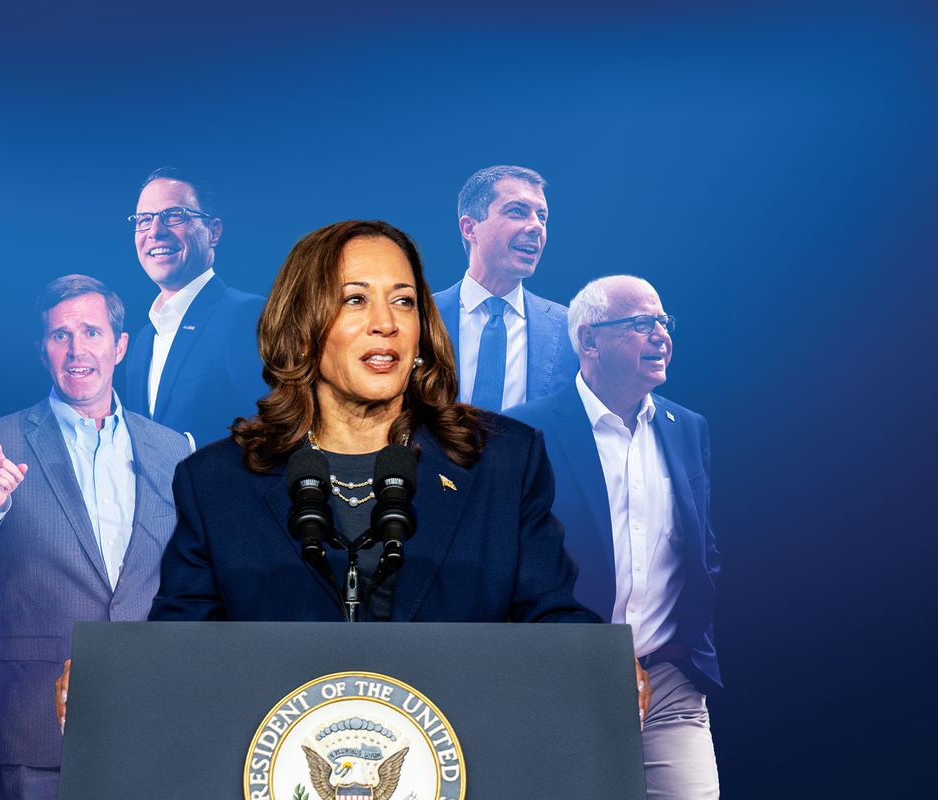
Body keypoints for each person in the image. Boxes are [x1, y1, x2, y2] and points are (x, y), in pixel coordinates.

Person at [55, 222, 650, 728]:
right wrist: (116, 677)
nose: (386, 323)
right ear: (303, 325)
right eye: (355, 299)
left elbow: (548, 614)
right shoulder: (217, 482)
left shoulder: (503, 461)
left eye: (405, 300)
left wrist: (598, 661)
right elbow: (181, 649)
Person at [0, 275, 190, 800]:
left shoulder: (171, 449)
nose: (76, 349)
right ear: (43, 352)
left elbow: (191, 578)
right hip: (41, 725)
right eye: (59, 336)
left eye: (91, 332)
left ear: (120, 346)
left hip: (155, 714)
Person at [509, 275, 720, 799]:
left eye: (663, 322)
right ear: (588, 342)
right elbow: (511, 568)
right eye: (639, 324)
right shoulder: (524, 433)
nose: (660, 335)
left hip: (669, 678)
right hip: (564, 682)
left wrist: (688, 647)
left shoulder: (686, 427)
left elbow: (701, 550)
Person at [125, 166, 267, 449]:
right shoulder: (142, 340)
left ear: (213, 232)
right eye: (144, 219)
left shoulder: (245, 315)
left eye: (173, 215)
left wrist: (187, 453)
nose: (155, 232)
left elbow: (275, 428)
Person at [433, 165, 578, 413]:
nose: (537, 227)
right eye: (517, 212)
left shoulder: (570, 329)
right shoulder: (420, 316)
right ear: (470, 228)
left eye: (542, 217)